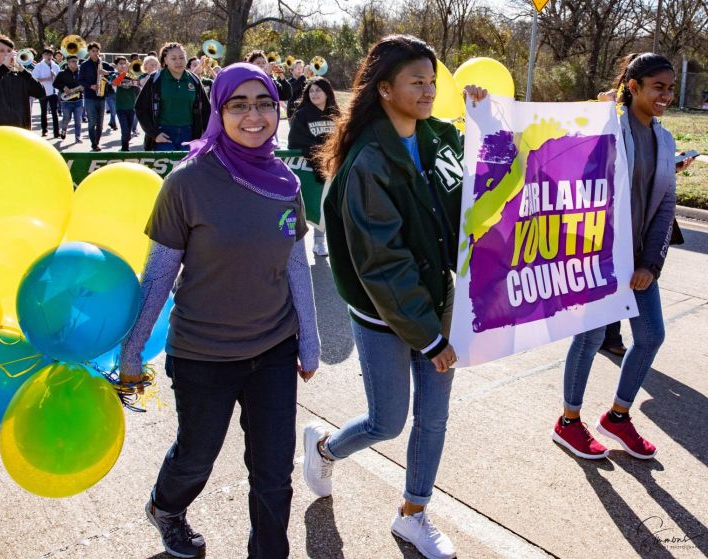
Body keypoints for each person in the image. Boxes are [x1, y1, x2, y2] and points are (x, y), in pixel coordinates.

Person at [118, 62, 320, 558]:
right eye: (239, 105)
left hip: (274, 350)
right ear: (218, 111)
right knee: (196, 458)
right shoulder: (187, 182)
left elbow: (296, 264)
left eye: (264, 103)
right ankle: (166, 507)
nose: (254, 116)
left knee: (274, 472)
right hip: (202, 355)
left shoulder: (285, 183)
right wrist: (132, 350)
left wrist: (310, 339)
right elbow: (158, 275)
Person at [301, 35, 485, 559]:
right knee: (387, 421)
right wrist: (429, 338)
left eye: (432, 81)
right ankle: (325, 448)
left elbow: (482, 189)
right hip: (385, 314)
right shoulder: (367, 162)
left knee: (434, 418)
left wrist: (484, 124)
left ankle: (412, 514)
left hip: (437, 301)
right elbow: (383, 264)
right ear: (384, 89)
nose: (428, 91)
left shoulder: (440, 137)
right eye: (416, 82)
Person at [552, 52, 695, 461]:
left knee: (650, 336)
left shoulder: (664, 140)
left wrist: (650, 264)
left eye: (670, 88)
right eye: (658, 87)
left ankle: (617, 417)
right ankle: (568, 422)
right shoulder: (608, 128)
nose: (666, 95)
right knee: (590, 337)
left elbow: (665, 206)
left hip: (638, 263)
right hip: (599, 257)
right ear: (633, 87)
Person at [287, 76, 339, 256]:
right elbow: (295, 141)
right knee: (310, 205)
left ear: (327, 92)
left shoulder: (336, 114)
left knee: (327, 204)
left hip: (332, 166)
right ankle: (297, 243)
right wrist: (319, 155)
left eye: (318, 90)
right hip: (310, 167)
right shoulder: (302, 114)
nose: (314, 94)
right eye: (311, 91)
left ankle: (319, 242)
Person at [135, 42, 210, 151]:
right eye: (173, 58)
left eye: (181, 57)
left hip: (189, 135)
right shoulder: (155, 79)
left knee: (186, 163)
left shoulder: (194, 80)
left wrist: (208, 135)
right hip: (164, 134)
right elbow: (140, 108)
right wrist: (154, 134)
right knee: (168, 163)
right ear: (165, 60)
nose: (178, 61)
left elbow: (206, 110)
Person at [0, 36, 45, 129]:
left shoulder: (23, 75)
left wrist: (24, 71)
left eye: (9, 51)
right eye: (2, 51)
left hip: (20, 130)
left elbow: (40, 93)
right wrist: (4, 67)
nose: (7, 54)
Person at [78, 42, 114, 151]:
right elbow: (80, 80)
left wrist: (106, 73)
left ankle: (97, 143)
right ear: (88, 52)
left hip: (102, 96)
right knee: (92, 122)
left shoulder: (104, 64)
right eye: (93, 51)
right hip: (89, 97)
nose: (95, 53)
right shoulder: (84, 65)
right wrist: (90, 86)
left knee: (100, 124)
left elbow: (114, 74)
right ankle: (94, 144)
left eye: (97, 51)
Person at [53, 54, 84, 143]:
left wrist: (83, 87)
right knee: (67, 118)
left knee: (78, 120)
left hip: (79, 100)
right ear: (68, 63)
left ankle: (77, 137)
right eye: (72, 61)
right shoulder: (62, 73)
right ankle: (63, 130)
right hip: (66, 101)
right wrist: (63, 87)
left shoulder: (81, 73)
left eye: (76, 61)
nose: (75, 63)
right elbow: (55, 84)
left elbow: (85, 83)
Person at [112, 56, 140, 151]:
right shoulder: (114, 75)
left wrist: (130, 73)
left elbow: (138, 82)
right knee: (125, 130)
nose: (123, 65)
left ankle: (126, 145)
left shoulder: (131, 75)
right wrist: (124, 72)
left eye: (125, 63)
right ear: (116, 66)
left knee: (128, 131)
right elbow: (115, 83)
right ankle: (125, 148)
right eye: (121, 63)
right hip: (120, 107)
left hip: (131, 107)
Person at [31, 47, 60, 138]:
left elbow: (59, 79)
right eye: (46, 54)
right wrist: (47, 79)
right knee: (43, 112)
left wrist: (55, 77)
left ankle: (56, 132)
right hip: (42, 91)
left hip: (53, 92)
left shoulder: (55, 66)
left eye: (50, 54)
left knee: (54, 112)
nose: (49, 56)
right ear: (43, 55)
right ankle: (44, 130)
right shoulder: (39, 66)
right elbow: (34, 79)